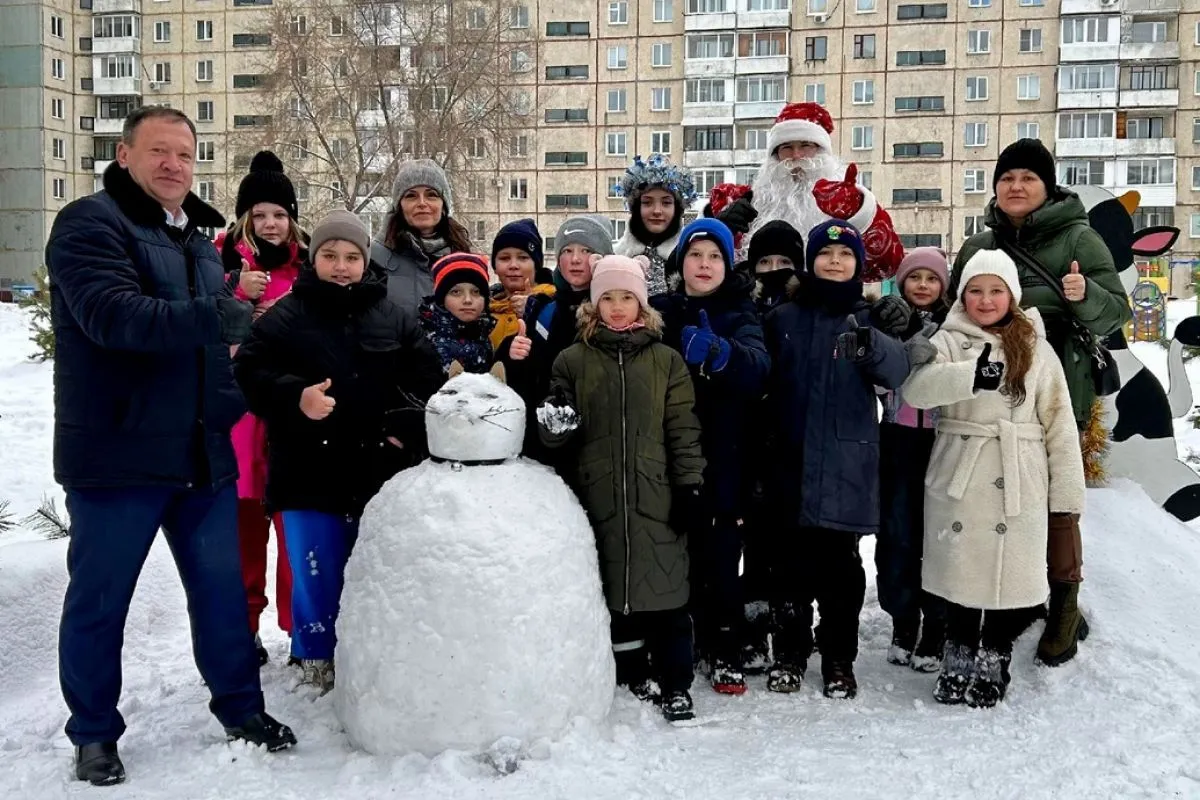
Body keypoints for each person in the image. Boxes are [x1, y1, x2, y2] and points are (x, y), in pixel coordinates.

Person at [45, 105, 295, 786]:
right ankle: (94, 733)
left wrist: (239, 396)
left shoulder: (194, 241)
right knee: (101, 601)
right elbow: (113, 317)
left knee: (219, 596)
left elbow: (214, 351)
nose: (173, 165)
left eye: (184, 154)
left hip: (200, 453)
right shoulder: (89, 224)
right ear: (124, 156)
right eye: (158, 151)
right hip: (117, 454)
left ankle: (241, 708)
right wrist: (220, 314)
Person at [234, 211, 444, 694]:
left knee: (374, 569)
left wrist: (401, 431)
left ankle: (373, 655)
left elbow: (425, 382)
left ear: (366, 260)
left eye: (352, 257)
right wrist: (295, 397)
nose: (342, 266)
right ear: (315, 258)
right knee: (315, 569)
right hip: (307, 471)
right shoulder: (286, 315)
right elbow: (248, 371)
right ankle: (315, 656)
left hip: (377, 470)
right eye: (330, 256)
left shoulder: (393, 317)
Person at [951, 138, 1130, 667]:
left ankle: (1064, 608)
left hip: (1057, 392)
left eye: (1028, 178)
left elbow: (1114, 314)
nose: (1016, 187)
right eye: (1007, 178)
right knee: (999, 501)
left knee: (1056, 501)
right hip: (988, 400)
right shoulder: (981, 244)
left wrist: (1083, 297)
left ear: (1047, 186)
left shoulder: (1079, 237)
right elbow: (953, 311)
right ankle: (1014, 594)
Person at [902, 249, 1086, 707]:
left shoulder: (1036, 347)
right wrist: (970, 376)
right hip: (960, 467)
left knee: (1009, 576)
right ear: (962, 295)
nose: (986, 300)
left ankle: (994, 655)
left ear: (1012, 295)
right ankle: (958, 652)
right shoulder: (946, 339)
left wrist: (1066, 493)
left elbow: (1059, 423)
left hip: (1018, 470)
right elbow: (917, 391)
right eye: (976, 290)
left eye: (996, 291)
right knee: (963, 569)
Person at [538, 254, 706, 723]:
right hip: (598, 496)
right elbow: (557, 434)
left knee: (668, 596)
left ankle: (676, 683)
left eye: (626, 297)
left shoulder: (666, 360)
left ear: (641, 303)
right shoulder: (572, 359)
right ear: (593, 304)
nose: (616, 307)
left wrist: (690, 487)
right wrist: (554, 425)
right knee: (616, 598)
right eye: (607, 297)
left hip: (658, 497)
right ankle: (632, 674)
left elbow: (683, 430)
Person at [762, 220, 909, 699]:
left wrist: (874, 344)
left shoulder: (868, 318)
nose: (834, 262)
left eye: (845, 256)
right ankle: (788, 652)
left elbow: (898, 369)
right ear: (810, 262)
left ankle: (839, 659)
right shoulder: (783, 317)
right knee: (786, 570)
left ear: (857, 266)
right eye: (826, 255)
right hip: (789, 460)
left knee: (841, 575)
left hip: (846, 467)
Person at [653, 218, 770, 695]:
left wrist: (723, 355)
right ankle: (684, 643)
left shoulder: (741, 312)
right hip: (668, 453)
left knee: (721, 557)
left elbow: (760, 368)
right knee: (678, 553)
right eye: (696, 255)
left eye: (715, 256)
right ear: (681, 262)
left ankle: (725, 647)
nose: (704, 265)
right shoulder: (662, 311)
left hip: (724, 454)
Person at [214, 149, 308, 663]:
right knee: (244, 529)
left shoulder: (309, 263)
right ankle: (244, 627)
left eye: (280, 214)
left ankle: (301, 631)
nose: (271, 224)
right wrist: (239, 300)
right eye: (261, 215)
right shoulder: (222, 262)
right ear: (245, 217)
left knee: (294, 530)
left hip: (293, 414)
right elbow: (203, 327)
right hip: (241, 418)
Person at [705, 102, 904, 283]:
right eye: (787, 147)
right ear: (775, 156)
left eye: (806, 146)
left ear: (822, 152)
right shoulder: (744, 202)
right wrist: (720, 228)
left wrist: (857, 214)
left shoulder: (843, 200)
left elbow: (886, 267)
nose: (796, 156)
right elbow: (699, 262)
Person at [874, 248, 952, 673]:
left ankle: (936, 626)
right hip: (896, 438)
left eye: (932, 278)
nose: (923, 285)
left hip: (941, 442)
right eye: (915, 277)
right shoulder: (888, 321)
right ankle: (903, 621)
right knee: (897, 534)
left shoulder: (955, 328)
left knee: (935, 535)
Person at [737, 219, 806, 671]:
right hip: (748, 438)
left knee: (793, 545)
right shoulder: (745, 307)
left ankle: (792, 630)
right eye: (765, 262)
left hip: (797, 438)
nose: (775, 270)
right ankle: (752, 627)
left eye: (784, 262)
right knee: (754, 542)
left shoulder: (812, 309)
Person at [371, 159, 474, 319]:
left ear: (444, 204)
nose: (422, 203)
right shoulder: (373, 257)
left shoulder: (462, 256)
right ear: (399, 205)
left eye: (431, 195)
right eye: (411, 196)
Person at [613, 154, 698, 297]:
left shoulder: (692, 256)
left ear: (677, 209)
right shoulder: (615, 257)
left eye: (666, 203)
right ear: (636, 207)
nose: (657, 211)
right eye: (647, 202)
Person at [419, 253, 498, 374]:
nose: (468, 300)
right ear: (442, 299)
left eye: (476, 292)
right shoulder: (423, 341)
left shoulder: (485, 335)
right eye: (456, 292)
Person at [489, 218, 556, 350]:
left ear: (536, 265)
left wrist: (535, 309)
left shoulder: (555, 305)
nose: (513, 265)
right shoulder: (483, 311)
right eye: (504, 258)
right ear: (495, 267)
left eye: (523, 258)